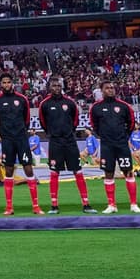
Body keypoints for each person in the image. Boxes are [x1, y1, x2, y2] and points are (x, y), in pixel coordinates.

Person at [38, 78, 95, 214]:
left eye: (58, 85)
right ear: (49, 87)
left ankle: (86, 204)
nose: (56, 88)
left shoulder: (70, 102)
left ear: (62, 87)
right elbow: (43, 122)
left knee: (78, 171)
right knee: (54, 173)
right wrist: (52, 133)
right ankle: (54, 205)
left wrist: (69, 132)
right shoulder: (44, 104)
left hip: (70, 141)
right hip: (55, 142)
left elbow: (75, 120)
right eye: (54, 86)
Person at [0, 74, 43, 215]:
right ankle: (9, 207)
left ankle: (36, 206)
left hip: (21, 139)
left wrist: (20, 132)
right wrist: (5, 134)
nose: (6, 85)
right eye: (4, 82)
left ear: (12, 83)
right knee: (8, 171)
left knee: (28, 170)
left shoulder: (22, 99)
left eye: (8, 82)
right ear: (0, 84)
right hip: (7, 140)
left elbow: (26, 119)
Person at [89, 80, 140, 214]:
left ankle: (134, 204)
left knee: (128, 172)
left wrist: (123, 136)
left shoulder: (124, 106)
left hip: (122, 145)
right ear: (102, 90)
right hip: (107, 146)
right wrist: (104, 136)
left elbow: (131, 123)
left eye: (112, 87)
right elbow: (94, 125)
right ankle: (111, 205)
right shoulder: (96, 107)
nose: (111, 90)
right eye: (107, 88)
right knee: (108, 173)